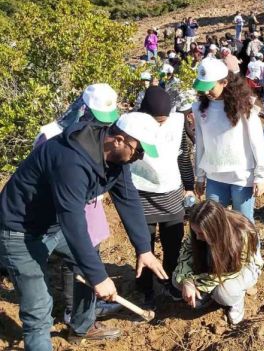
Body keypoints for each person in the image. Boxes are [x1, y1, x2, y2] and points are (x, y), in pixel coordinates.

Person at [0, 112, 167, 348]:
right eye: (138, 150)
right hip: (21, 230)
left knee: (88, 265)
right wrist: (98, 277)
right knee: (39, 310)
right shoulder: (71, 161)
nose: (138, 157)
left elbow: (128, 199)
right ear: (119, 139)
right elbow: (73, 221)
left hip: (54, 224)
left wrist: (144, 249)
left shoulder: (114, 160)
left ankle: (81, 327)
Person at [33, 84, 123, 325]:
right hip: (62, 208)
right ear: (83, 108)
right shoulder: (51, 134)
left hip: (89, 204)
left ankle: (85, 312)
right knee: (71, 257)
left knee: (88, 254)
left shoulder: (103, 136)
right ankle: (71, 310)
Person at [132, 87, 194, 308]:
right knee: (144, 246)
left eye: (163, 120)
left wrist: (189, 186)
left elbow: (184, 158)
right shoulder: (131, 125)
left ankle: (169, 282)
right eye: (156, 120)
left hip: (171, 194)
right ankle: (145, 289)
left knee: (173, 245)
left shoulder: (176, 123)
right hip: (141, 195)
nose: (160, 124)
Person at [192, 58, 264, 222]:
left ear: (224, 82)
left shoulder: (244, 107)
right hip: (214, 176)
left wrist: (260, 176)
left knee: (243, 222)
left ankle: (252, 249)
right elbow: (200, 143)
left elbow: (257, 142)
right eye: (202, 88)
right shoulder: (199, 109)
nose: (205, 92)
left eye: (210, 88)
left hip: (242, 176)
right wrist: (199, 176)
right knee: (213, 224)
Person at [172, 200, 263, 326]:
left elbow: (235, 270)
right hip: (214, 264)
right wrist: (187, 280)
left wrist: (196, 282)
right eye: (195, 232)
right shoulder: (198, 226)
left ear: (215, 229)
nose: (197, 237)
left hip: (242, 269)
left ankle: (235, 301)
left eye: (201, 234)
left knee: (224, 294)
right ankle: (210, 295)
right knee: (177, 279)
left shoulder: (242, 233)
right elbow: (186, 252)